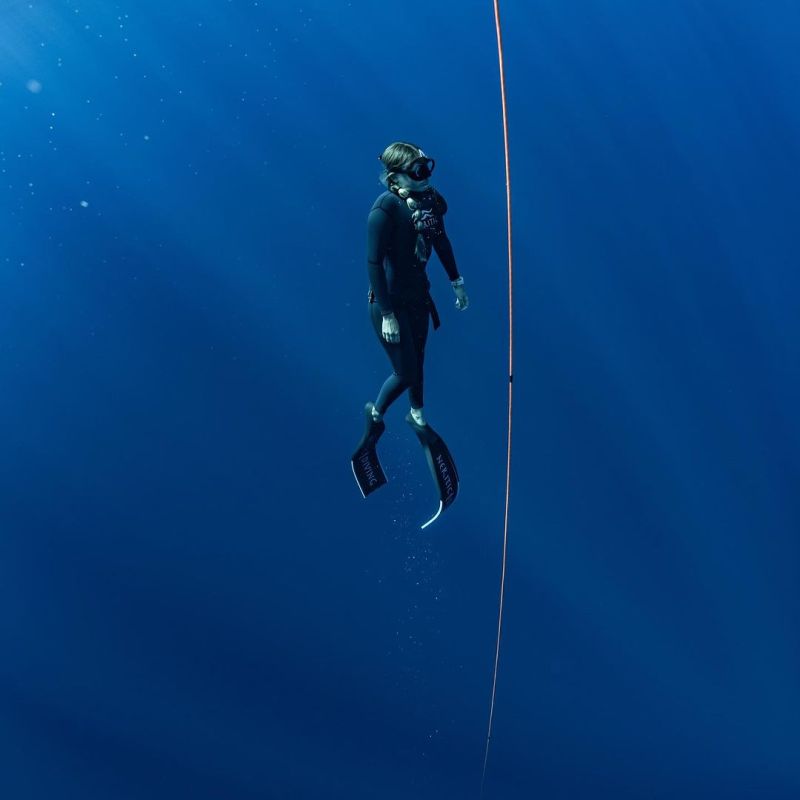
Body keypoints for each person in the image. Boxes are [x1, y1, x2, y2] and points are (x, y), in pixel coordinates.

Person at [351, 141, 468, 511]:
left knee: (419, 361)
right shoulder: (384, 209)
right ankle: (376, 415)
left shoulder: (431, 202)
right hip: (390, 305)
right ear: (395, 175)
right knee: (406, 371)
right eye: (416, 170)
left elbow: (442, 241)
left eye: (427, 167)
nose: (425, 177)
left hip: (419, 298)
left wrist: (456, 281)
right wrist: (386, 314)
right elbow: (373, 265)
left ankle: (417, 414)